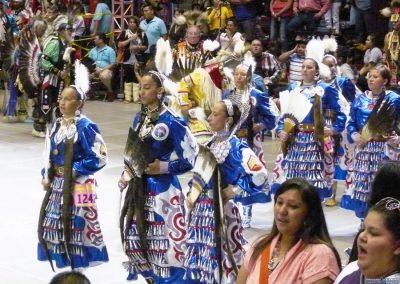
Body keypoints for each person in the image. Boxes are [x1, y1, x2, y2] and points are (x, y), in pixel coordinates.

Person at [118, 71, 199, 282]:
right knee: (137, 242)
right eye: (141, 87)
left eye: (147, 87)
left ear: (159, 90)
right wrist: (126, 173)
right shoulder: (139, 117)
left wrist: (164, 167)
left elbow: (191, 156)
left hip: (162, 191)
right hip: (138, 188)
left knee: (163, 244)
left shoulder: (171, 121)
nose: (142, 92)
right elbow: (134, 152)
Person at [184, 100, 270, 283]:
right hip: (200, 211)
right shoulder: (208, 142)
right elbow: (199, 174)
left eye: (215, 114)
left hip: (222, 212)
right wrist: (191, 193)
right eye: (210, 113)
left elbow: (260, 175)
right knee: (200, 254)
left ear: (228, 120)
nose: (209, 118)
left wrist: (236, 189)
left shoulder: (237, 147)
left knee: (223, 256)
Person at [37, 62, 109, 270]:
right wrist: (46, 173)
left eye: (69, 99)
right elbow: (48, 154)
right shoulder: (57, 125)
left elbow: (100, 156)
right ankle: (66, 264)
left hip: (80, 184)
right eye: (61, 98)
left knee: (79, 224)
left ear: (79, 103)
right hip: (58, 183)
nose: (62, 102)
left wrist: (75, 170)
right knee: (57, 224)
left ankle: (79, 270)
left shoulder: (85, 126)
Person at [237, 178, 341, 283]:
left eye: (293, 206)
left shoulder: (320, 255)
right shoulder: (261, 245)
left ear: (309, 214)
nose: (282, 211)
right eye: (280, 202)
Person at [272, 54, 346, 201]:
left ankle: (311, 211)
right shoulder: (293, 87)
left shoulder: (325, 89)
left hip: (315, 139)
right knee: (293, 174)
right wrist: (281, 129)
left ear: (317, 71)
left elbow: (341, 112)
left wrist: (333, 129)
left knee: (313, 175)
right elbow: (286, 113)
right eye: (303, 67)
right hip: (295, 139)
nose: (305, 70)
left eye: (309, 67)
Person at [340, 65, 400, 219]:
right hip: (364, 148)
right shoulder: (360, 100)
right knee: (363, 184)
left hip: (386, 148)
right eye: (369, 77)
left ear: (385, 80)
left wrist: (398, 139)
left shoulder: (394, 99)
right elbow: (351, 122)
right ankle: (364, 219)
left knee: (383, 182)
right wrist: (354, 135)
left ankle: (386, 219)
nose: (371, 80)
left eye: (375, 77)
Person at [224, 63, 278, 227]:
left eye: (243, 74)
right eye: (237, 74)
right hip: (231, 141)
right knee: (233, 174)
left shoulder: (257, 95)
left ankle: (247, 212)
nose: (239, 77)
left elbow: (272, 117)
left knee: (249, 174)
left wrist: (259, 126)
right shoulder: (227, 95)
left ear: (249, 77)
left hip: (250, 141)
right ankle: (234, 210)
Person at [335, 197, 400, 283]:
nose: (362, 236)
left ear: (397, 246)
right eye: (363, 229)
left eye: (374, 233)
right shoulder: (349, 271)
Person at [33, 22, 73, 138]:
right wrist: (58, 71)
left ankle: (53, 126)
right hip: (47, 78)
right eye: (67, 30)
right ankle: (39, 127)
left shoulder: (65, 43)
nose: (70, 32)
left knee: (56, 101)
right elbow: (43, 60)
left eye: (71, 30)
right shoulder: (55, 43)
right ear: (61, 31)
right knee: (46, 101)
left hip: (58, 78)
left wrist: (66, 73)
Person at [116, 16, 148, 103]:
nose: (131, 24)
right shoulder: (124, 33)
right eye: (130, 22)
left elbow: (145, 46)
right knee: (128, 77)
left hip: (138, 58)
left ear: (137, 24)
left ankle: (137, 98)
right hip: (127, 58)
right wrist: (130, 39)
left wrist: (137, 47)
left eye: (133, 22)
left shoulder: (142, 33)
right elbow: (119, 44)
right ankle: (127, 98)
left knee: (137, 78)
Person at [89, 33, 116, 102]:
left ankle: (110, 91)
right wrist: (94, 69)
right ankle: (89, 90)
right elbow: (89, 62)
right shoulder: (92, 50)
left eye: (95, 39)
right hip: (94, 69)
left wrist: (101, 70)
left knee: (104, 76)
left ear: (101, 40)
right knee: (83, 74)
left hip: (106, 69)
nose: (94, 40)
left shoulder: (110, 50)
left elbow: (112, 64)